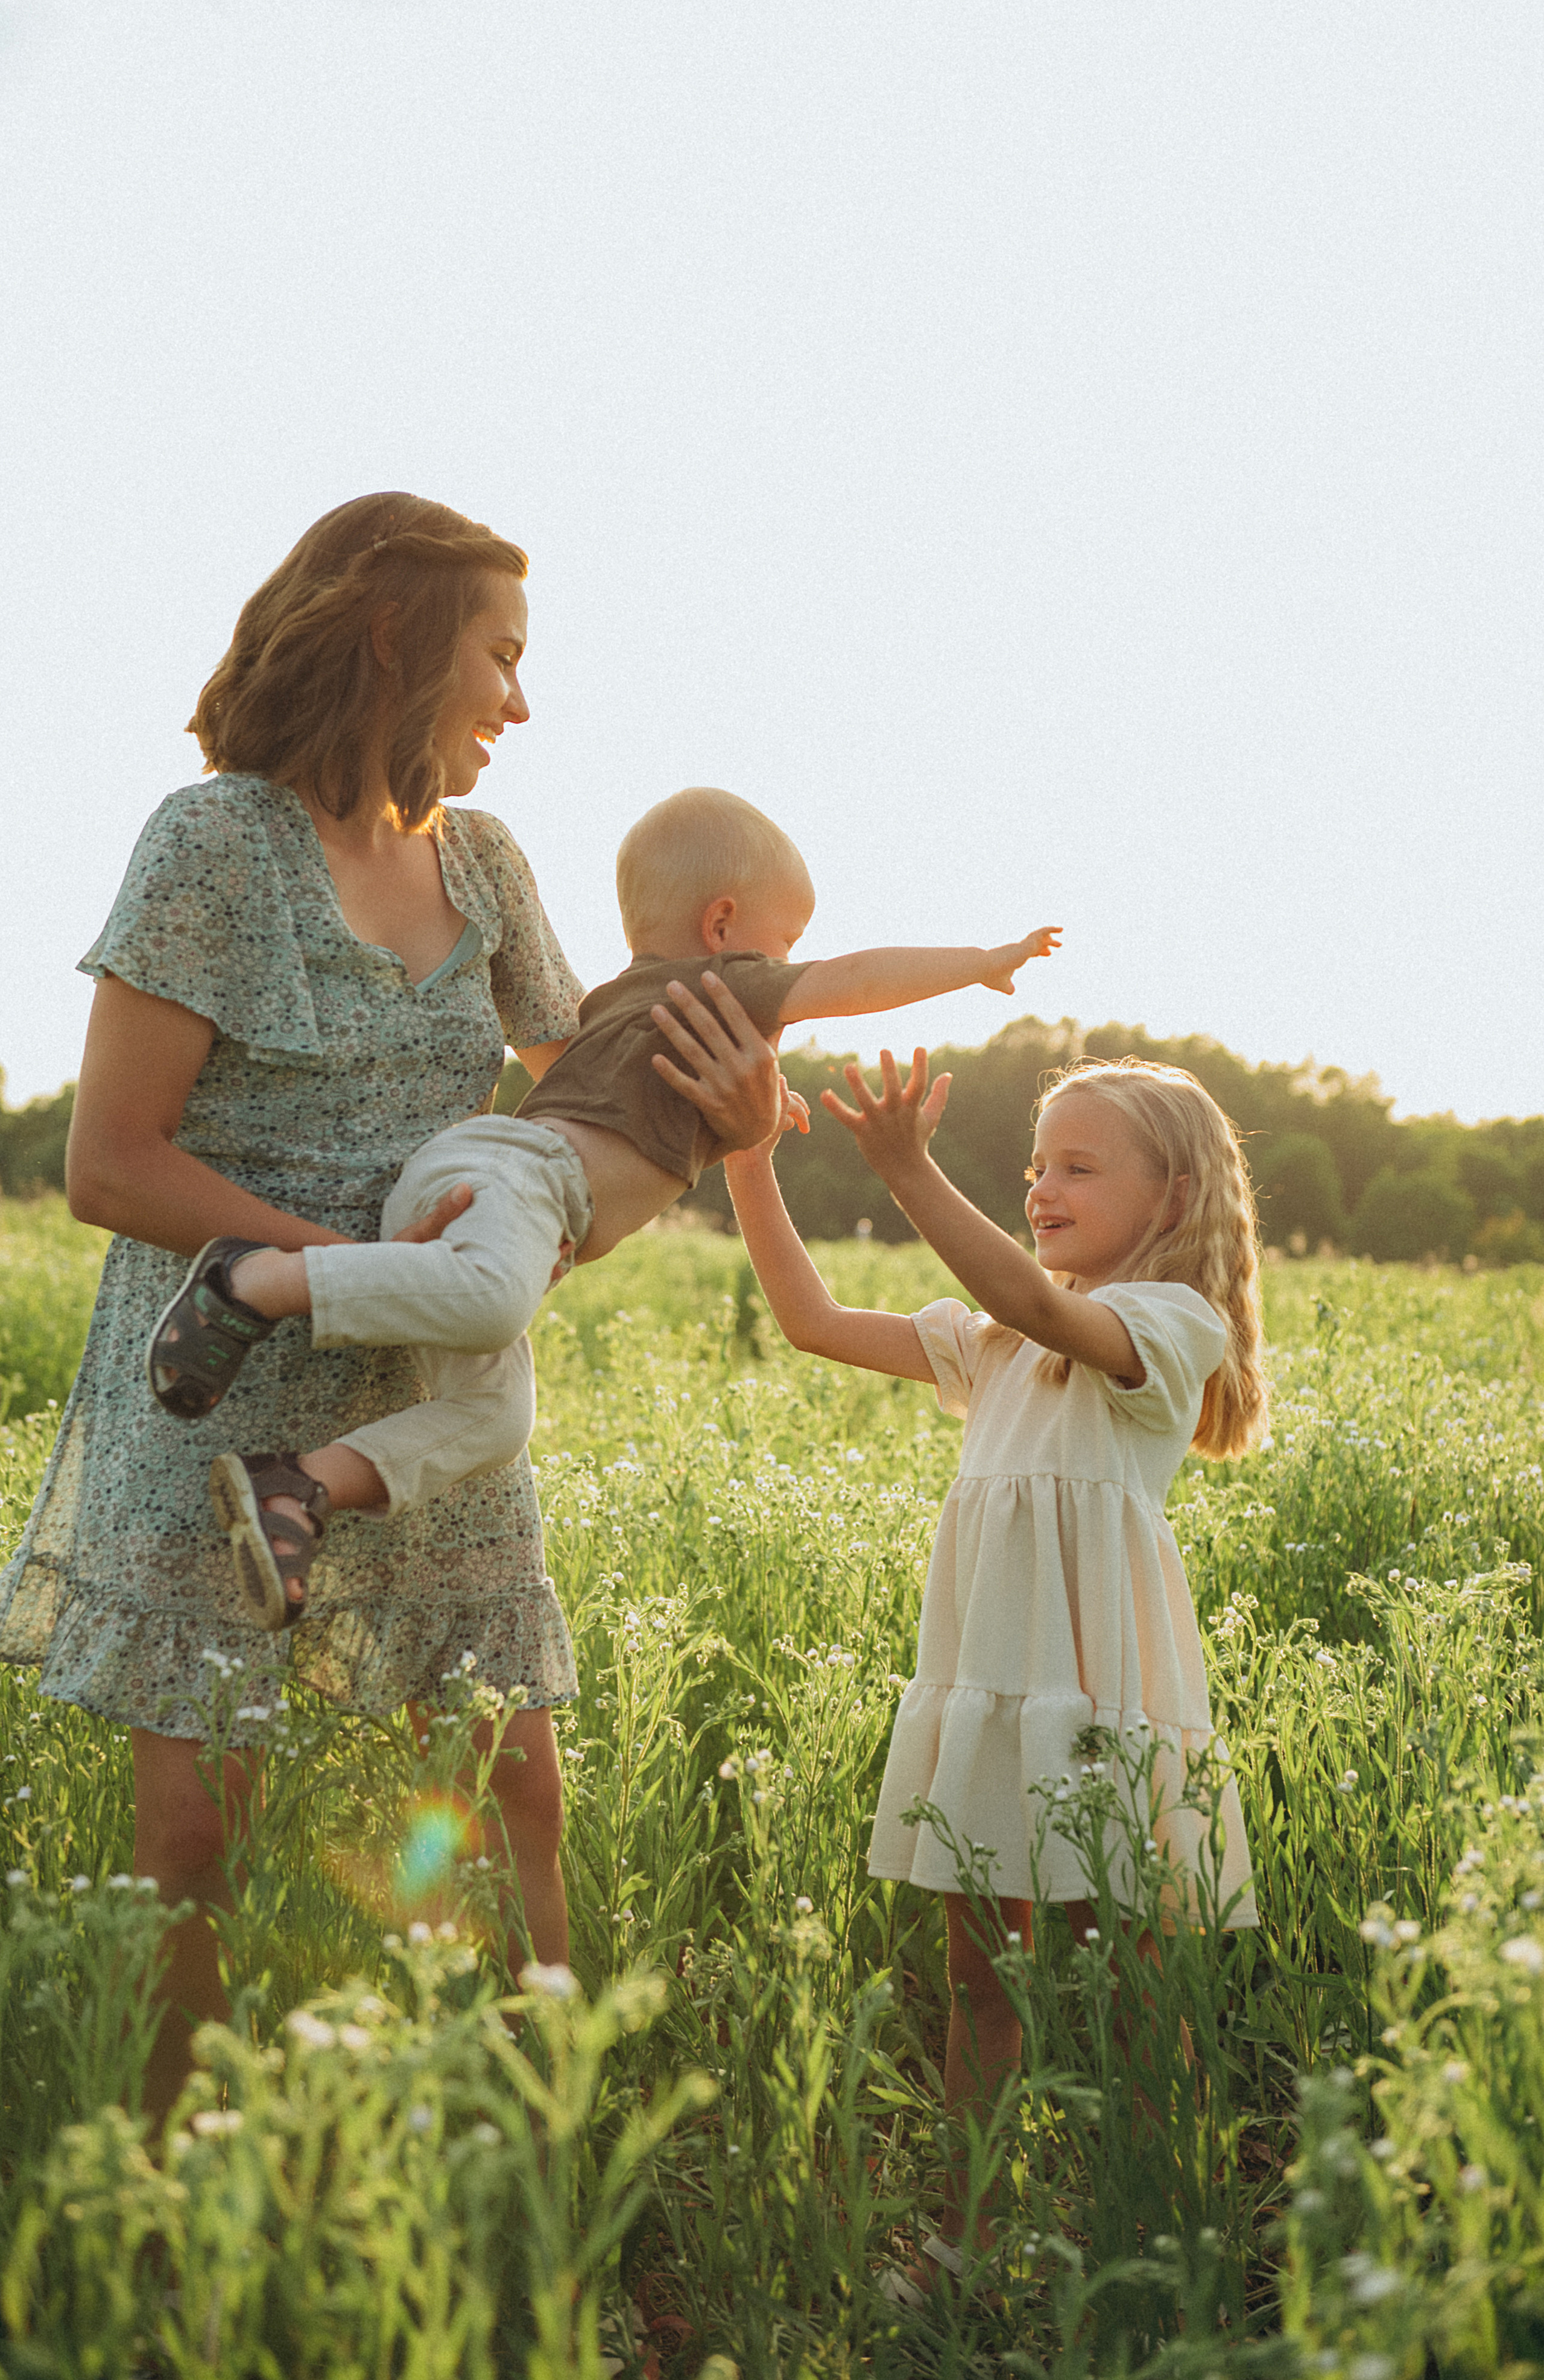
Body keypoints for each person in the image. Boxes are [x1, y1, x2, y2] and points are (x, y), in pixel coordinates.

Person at [0, 492, 781, 2127]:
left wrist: (727, 1115)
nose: (521, 700)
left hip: (423, 1402)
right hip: (218, 1375)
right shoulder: (212, 845)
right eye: (501, 655)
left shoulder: (486, 864)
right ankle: (178, 2177)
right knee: (199, 1829)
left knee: (508, 1785)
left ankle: (533, 2144)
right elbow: (111, 1163)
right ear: (393, 639)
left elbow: (587, 1115)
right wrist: (348, 1271)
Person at [146, 783, 1061, 1629]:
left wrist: (755, 1116)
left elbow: (653, 1106)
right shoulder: (723, 983)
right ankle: (249, 1283)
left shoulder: (635, 1000)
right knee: (495, 1303)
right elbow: (855, 978)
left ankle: (297, 1488)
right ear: (722, 926)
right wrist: (981, 963)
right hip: (518, 1178)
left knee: (496, 1419)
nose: (787, 972)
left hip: (496, 1192)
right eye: (784, 947)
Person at [721, 1049, 1267, 2280]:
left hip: (1098, 1694)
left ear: (1174, 1196)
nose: (1040, 1188)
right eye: (1034, 1165)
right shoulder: (997, 1343)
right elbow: (812, 1324)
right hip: (991, 1686)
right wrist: (750, 1165)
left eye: (1077, 1167)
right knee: (978, 1977)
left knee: (1129, 1982)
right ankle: (967, 2242)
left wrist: (907, 1170)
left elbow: (1032, 1294)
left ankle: (1158, 2234)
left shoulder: (1168, 1327)